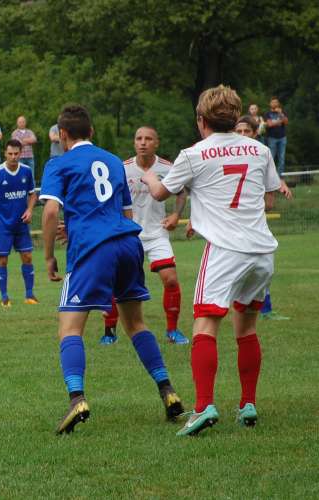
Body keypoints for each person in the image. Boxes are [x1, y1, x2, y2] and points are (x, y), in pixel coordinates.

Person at [143, 85, 280, 436]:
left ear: (201, 120)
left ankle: (203, 407)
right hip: (262, 250)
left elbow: (160, 192)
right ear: (236, 119)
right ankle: (247, 403)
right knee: (247, 327)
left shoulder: (193, 154)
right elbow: (269, 201)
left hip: (224, 249)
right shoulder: (260, 149)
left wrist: (147, 174)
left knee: (204, 325)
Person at [39, 104, 183, 434]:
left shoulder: (59, 162)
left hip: (92, 248)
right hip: (127, 242)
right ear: (91, 132)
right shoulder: (115, 162)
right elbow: (125, 214)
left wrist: (49, 256)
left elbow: (49, 212)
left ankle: (77, 399)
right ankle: (167, 390)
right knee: (135, 323)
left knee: (70, 329)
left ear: (62, 135)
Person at [99, 126, 189, 346]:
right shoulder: (122, 169)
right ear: (134, 142)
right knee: (115, 281)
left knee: (170, 279)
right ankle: (109, 331)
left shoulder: (167, 168)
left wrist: (176, 215)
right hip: (129, 235)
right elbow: (110, 199)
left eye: (148, 139)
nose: (143, 142)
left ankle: (172, 331)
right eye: (139, 138)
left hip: (157, 233)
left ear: (156, 143)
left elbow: (181, 192)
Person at [234, 115, 292, 321]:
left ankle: (265, 309)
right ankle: (221, 309)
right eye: (238, 131)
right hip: (230, 225)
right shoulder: (228, 156)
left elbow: (270, 190)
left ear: (255, 133)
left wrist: (278, 186)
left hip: (254, 223)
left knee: (263, 268)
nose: (242, 135)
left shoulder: (261, 154)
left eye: (246, 131)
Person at [0, 139, 38, 308]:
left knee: (27, 256)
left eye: (16, 154)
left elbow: (33, 194)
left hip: (21, 224)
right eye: (10, 154)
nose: (13, 157)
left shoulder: (26, 171)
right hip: (2, 225)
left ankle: (29, 295)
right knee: (2, 260)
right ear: (5, 153)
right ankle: (4, 297)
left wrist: (30, 210)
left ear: (21, 153)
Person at [264, 97, 288, 175]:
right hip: (272, 138)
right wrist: (279, 121)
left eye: (276, 102)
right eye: (273, 102)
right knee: (272, 158)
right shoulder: (267, 113)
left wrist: (280, 114)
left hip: (282, 137)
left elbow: (286, 122)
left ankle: (280, 177)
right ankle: (271, 175)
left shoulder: (282, 112)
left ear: (278, 103)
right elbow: (269, 124)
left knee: (282, 158)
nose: (274, 103)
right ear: (270, 104)